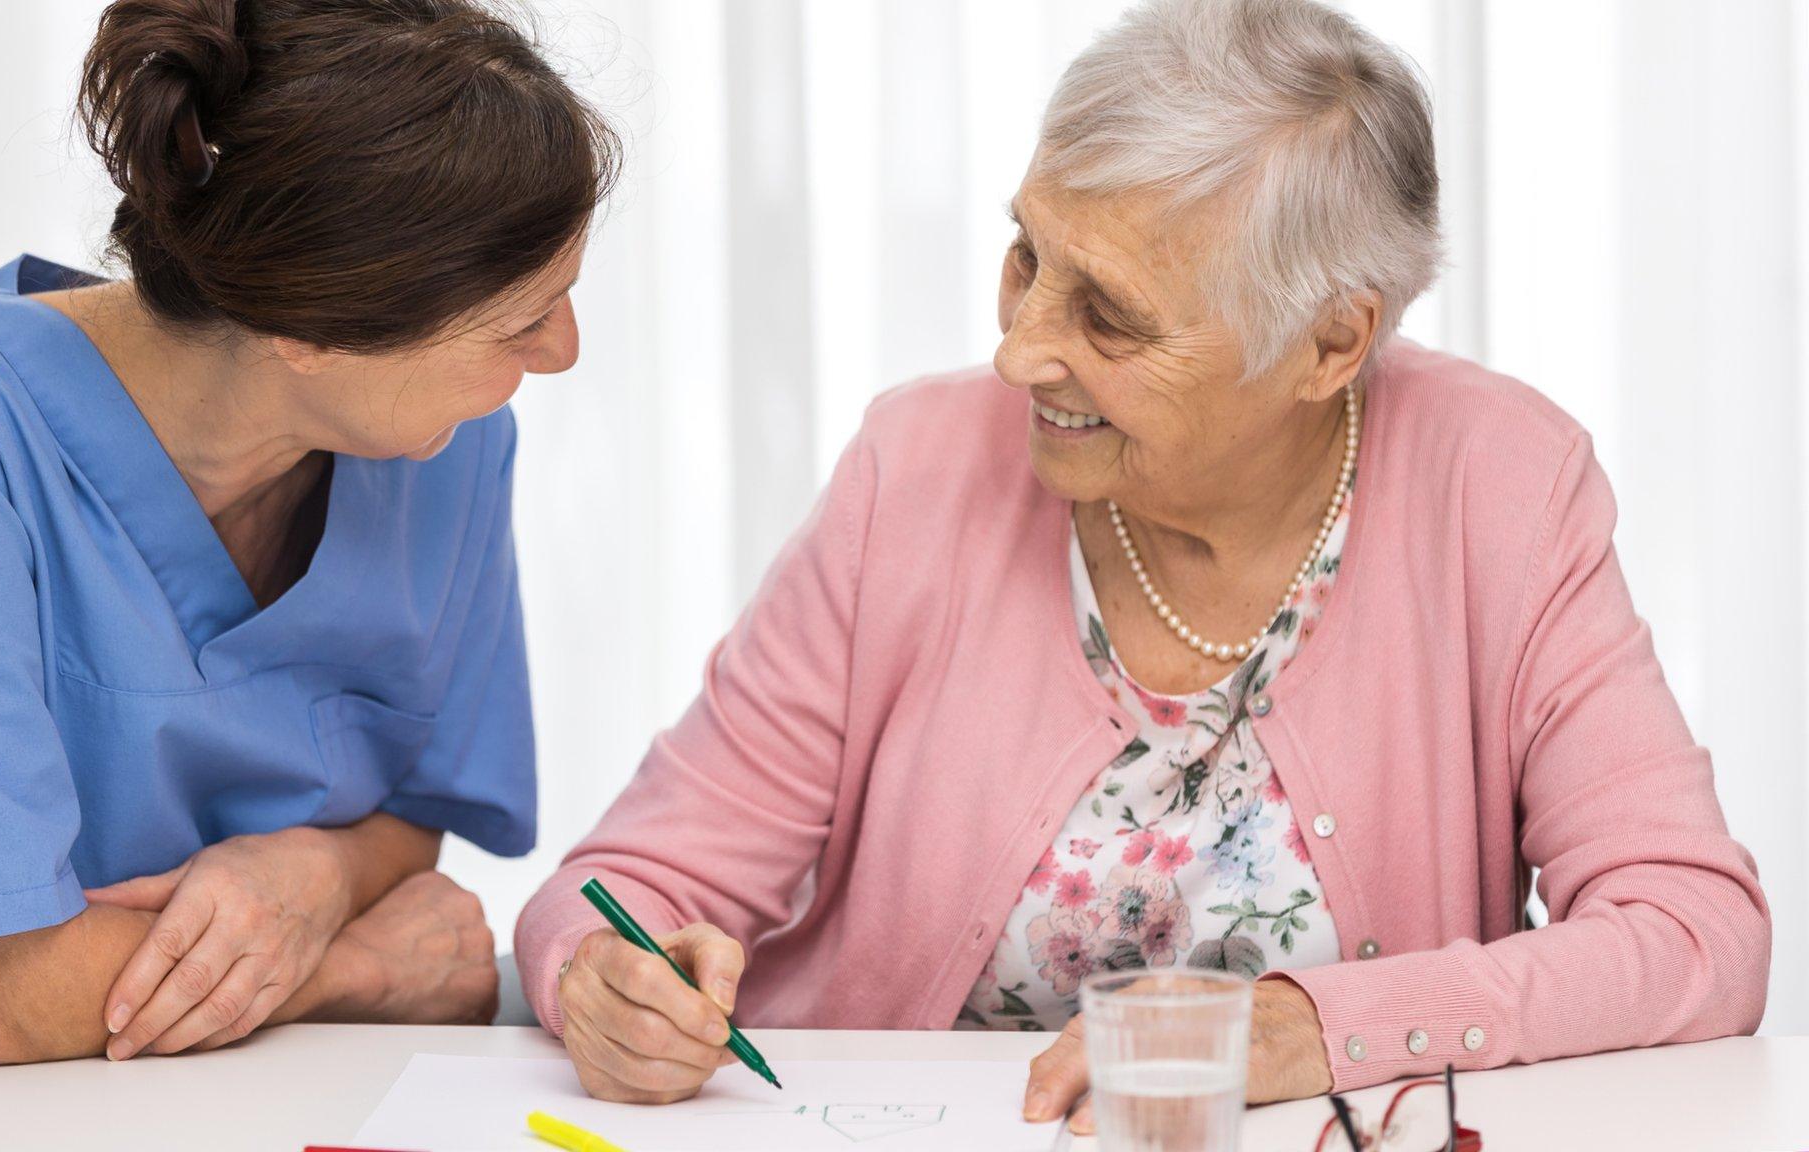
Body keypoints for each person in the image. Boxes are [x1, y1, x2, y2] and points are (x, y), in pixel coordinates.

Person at [513, 0, 1770, 1133]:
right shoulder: (917, 467)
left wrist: (1305, 1031)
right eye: (1025, 257)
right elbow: (620, 886)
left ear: (1330, 342)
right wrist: (601, 982)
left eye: (1106, 315)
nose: (1020, 351)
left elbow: (1692, 935)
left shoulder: (1500, 485)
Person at [0, 0, 619, 1069]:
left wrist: (311, 874)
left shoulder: (443, 448)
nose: (563, 352)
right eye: (520, 321)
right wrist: (355, 969)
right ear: (306, 329)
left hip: (266, 1094)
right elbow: (9, 998)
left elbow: (407, 819)